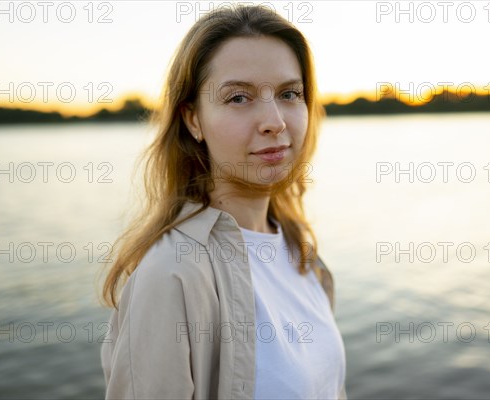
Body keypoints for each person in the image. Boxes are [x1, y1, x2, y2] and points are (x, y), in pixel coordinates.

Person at [99, 4, 347, 399]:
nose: (274, 121)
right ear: (193, 119)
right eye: (238, 98)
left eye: (289, 93)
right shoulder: (172, 276)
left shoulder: (299, 250)